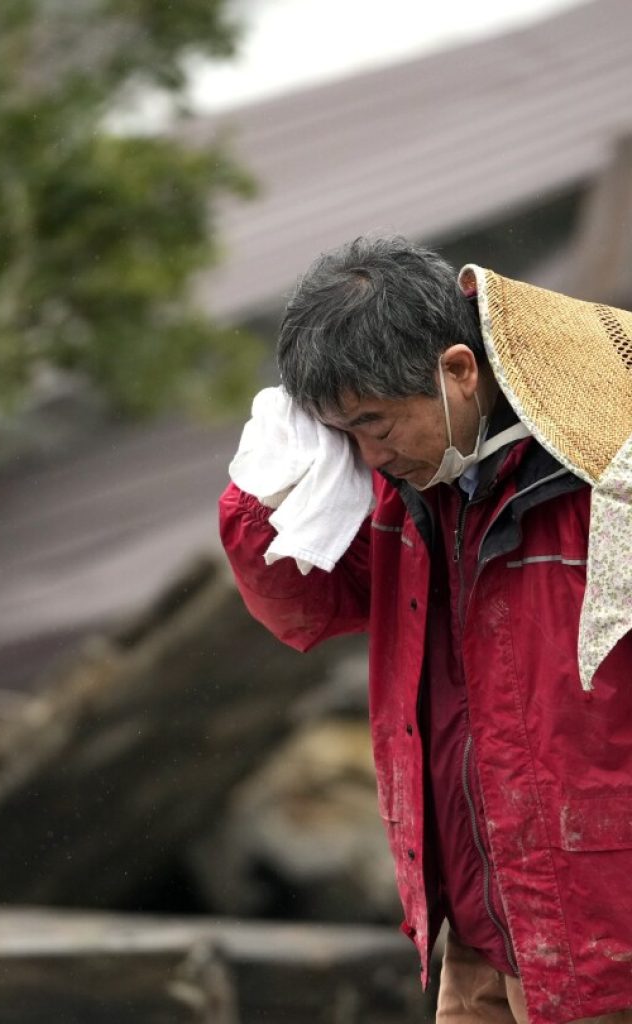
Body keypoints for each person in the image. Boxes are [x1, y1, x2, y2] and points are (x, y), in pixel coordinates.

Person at [218, 236, 632, 1024]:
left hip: (606, 936)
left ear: (459, 370)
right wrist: (258, 497)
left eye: (376, 422)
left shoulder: (606, 473)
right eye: (345, 433)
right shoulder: (411, 493)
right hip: (478, 931)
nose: (370, 453)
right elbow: (303, 605)